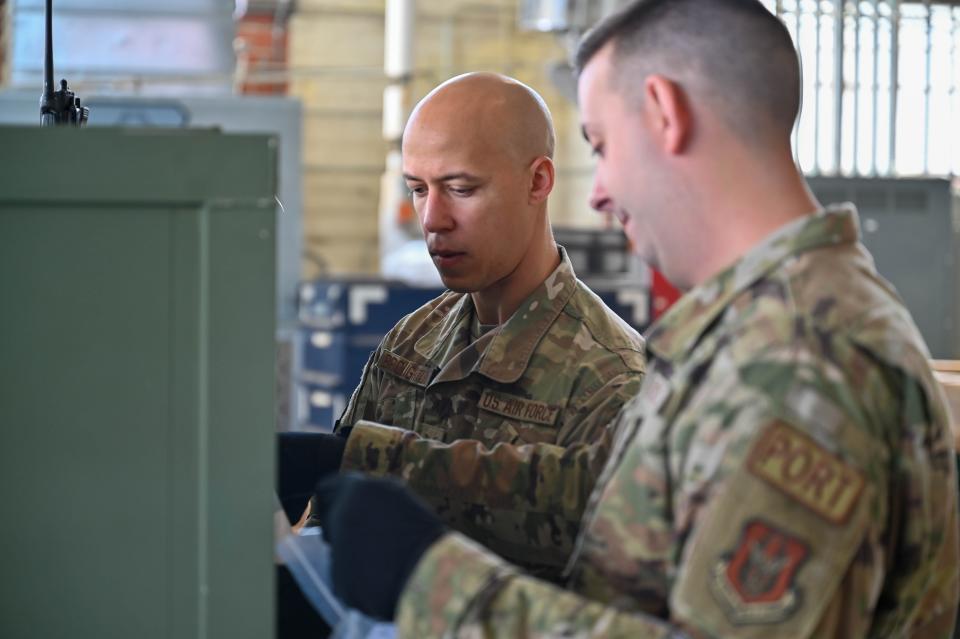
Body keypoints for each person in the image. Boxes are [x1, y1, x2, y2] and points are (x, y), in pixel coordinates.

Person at [309, 1, 960, 637]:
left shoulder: (800, 363)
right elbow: (598, 490)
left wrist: (433, 583)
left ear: (664, 113)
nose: (596, 190)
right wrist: (363, 457)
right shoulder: (755, 330)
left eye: (602, 144)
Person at [286, 72, 647, 578]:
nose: (433, 219)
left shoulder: (609, 380)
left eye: (460, 188)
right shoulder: (410, 343)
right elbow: (332, 526)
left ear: (538, 182)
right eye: (418, 189)